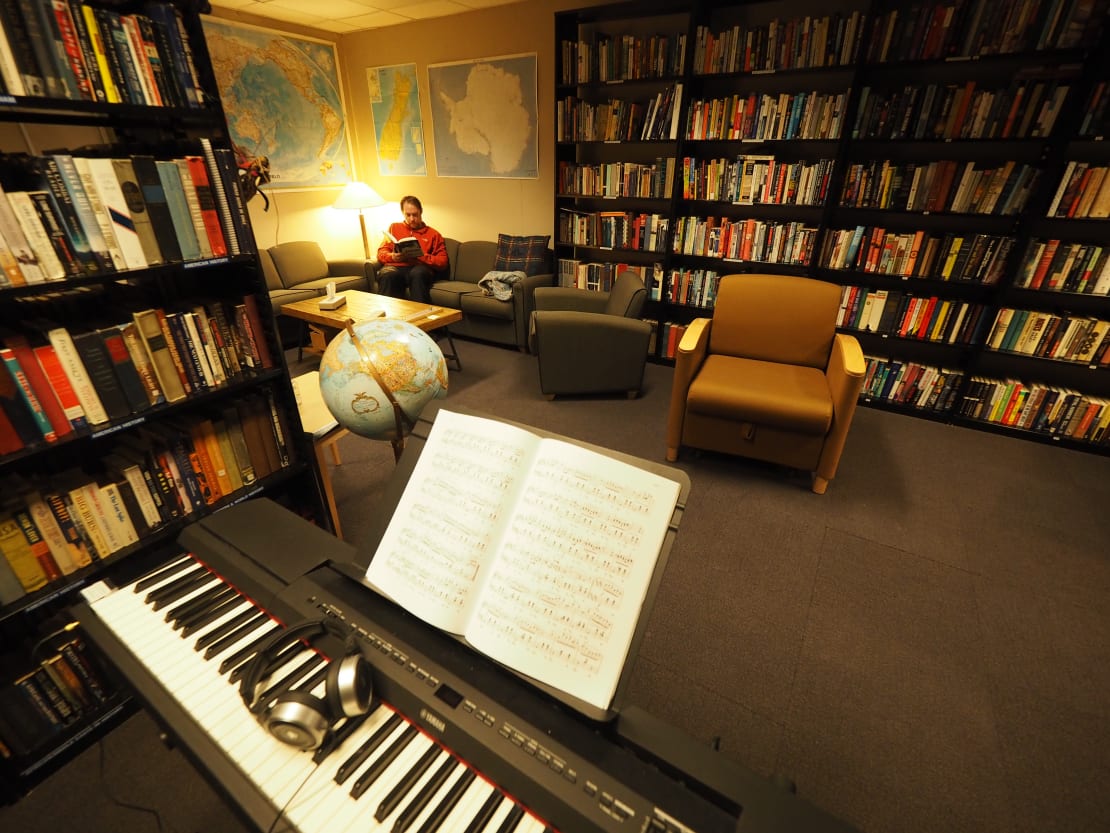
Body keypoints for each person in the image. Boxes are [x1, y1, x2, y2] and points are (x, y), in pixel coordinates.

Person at [374, 196, 448, 303]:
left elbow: (442, 262)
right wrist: (392, 257)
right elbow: (381, 253)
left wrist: (421, 255)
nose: (412, 219)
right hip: (396, 268)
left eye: (415, 215)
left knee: (418, 273)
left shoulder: (433, 234)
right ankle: (386, 317)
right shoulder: (394, 227)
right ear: (403, 213)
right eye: (408, 215)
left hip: (419, 269)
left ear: (421, 212)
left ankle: (421, 316)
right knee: (387, 274)